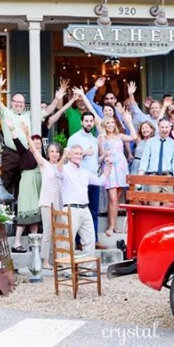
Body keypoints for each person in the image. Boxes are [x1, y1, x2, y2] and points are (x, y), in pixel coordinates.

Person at [0, 74, 64, 199]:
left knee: (24, 182)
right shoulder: (6, 113)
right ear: (12, 103)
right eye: (16, 102)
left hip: (25, 153)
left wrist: (57, 99)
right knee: (7, 181)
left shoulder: (29, 115)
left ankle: (20, 210)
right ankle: (7, 212)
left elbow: (47, 111)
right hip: (10, 153)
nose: (19, 104)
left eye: (21, 102)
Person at [56, 145, 113, 276]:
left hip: (84, 209)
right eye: (75, 153)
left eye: (80, 154)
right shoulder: (64, 168)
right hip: (70, 209)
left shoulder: (85, 171)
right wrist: (63, 157)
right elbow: (57, 171)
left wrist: (108, 168)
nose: (78, 156)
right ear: (70, 155)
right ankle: (66, 269)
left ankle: (86, 268)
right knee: (67, 240)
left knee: (90, 239)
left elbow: (100, 181)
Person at [20, 123, 64, 269]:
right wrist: (27, 134)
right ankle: (44, 260)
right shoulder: (44, 164)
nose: (54, 154)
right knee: (47, 231)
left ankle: (59, 258)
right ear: (48, 152)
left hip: (58, 202)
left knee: (59, 231)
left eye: (57, 152)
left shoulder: (62, 166)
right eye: (52, 151)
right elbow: (33, 150)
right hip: (46, 202)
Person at [66, 110, 107, 249]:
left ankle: (93, 240)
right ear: (81, 122)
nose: (89, 123)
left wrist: (104, 156)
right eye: (86, 121)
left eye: (91, 121)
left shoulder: (95, 140)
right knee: (79, 210)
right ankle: (77, 241)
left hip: (93, 178)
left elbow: (95, 160)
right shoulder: (74, 138)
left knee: (93, 211)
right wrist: (84, 153)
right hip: (79, 179)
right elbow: (69, 157)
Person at [98, 107, 137, 236]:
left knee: (117, 199)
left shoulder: (119, 135)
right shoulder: (102, 138)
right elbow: (100, 156)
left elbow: (134, 136)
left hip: (121, 167)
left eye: (112, 123)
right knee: (112, 197)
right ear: (104, 125)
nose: (110, 125)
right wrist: (105, 155)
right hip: (110, 167)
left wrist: (129, 121)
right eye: (107, 123)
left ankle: (114, 226)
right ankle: (110, 226)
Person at [6, 119, 43, 253]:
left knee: (35, 216)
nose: (37, 145)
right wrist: (12, 129)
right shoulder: (25, 153)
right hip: (27, 185)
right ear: (29, 144)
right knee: (25, 211)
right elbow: (17, 142)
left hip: (38, 185)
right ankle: (16, 243)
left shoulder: (42, 157)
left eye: (39, 144)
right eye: (35, 143)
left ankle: (34, 243)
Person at [138, 119, 174, 205]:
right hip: (154, 176)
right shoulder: (150, 142)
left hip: (167, 177)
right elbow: (145, 159)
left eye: (166, 127)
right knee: (154, 204)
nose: (164, 130)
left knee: (169, 205)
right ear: (158, 127)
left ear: (170, 128)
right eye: (162, 127)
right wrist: (141, 172)